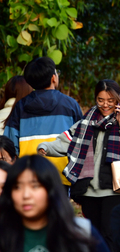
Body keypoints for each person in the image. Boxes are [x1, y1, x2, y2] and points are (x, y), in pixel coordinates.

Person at [38, 79, 120, 250]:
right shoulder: (85, 123)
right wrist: (45, 147)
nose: (105, 105)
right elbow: (65, 142)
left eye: (110, 101)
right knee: (94, 237)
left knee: (110, 235)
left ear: (119, 100)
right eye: (100, 100)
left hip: (115, 190)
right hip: (88, 190)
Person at [3, 57, 82, 185]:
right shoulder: (70, 105)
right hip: (62, 174)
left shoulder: (20, 106)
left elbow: (10, 144)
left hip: (28, 172)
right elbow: (81, 139)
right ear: (53, 78)